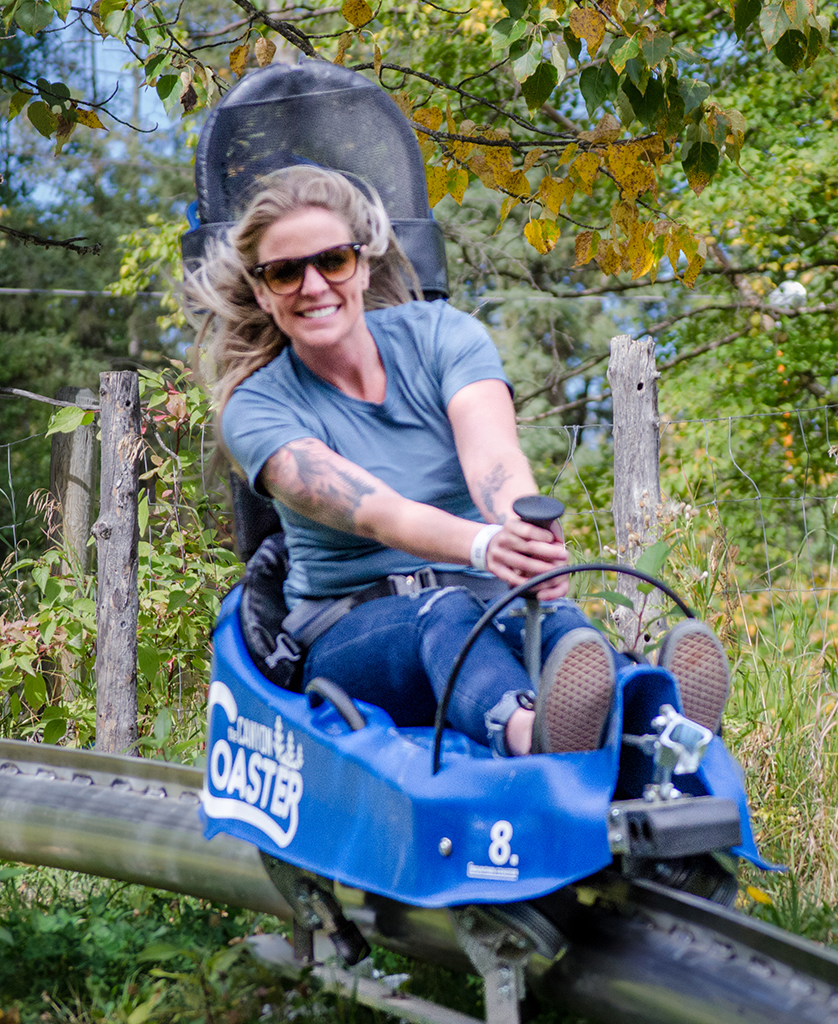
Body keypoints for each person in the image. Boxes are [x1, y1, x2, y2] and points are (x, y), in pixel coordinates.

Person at [188, 165, 729, 756]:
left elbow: (493, 456)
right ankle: (532, 736)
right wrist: (483, 546)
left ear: (364, 265)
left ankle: (659, 716)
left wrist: (523, 530)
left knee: (561, 628)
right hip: (352, 630)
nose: (314, 286)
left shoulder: (443, 334)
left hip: (486, 601)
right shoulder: (255, 408)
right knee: (442, 616)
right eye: (287, 273)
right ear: (263, 291)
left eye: (333, 262)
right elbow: (376, 511)